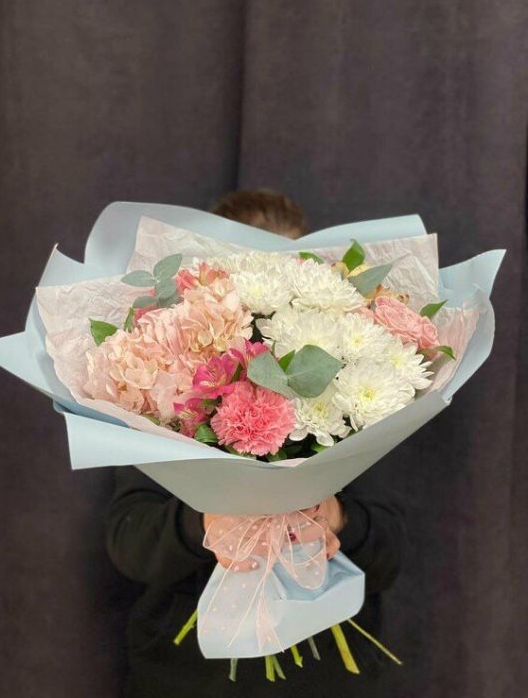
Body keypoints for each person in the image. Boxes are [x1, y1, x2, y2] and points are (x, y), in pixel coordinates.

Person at [105, 190, 406, 698]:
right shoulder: (159, 394)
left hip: (327, 677)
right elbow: (127, 543)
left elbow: (391, 553)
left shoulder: (352, 390)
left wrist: (335, 518)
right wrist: (204, 524)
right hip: (186, 675)